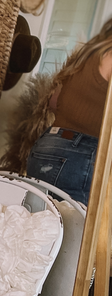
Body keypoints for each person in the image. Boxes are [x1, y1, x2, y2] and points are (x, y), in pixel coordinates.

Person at [26, 18, 112, 206]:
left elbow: (54, 101)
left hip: (48, 145)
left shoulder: (90, 52)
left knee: (37, 222)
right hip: (78, 157)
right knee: (78, 225)